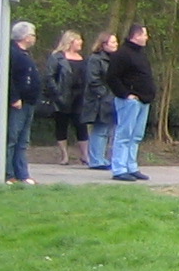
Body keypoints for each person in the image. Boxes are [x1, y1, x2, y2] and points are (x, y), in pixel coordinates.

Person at [106, 23, 156, 181]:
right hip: (130, 101)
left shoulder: (140, 54)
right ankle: (119, 168)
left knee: (136, 135)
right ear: (136, 36)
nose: (147, 38)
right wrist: (125, 94)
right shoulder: (122, 54)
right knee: (124, 134)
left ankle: (131, 166)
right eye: (145, 34)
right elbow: (111, 77)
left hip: (143, 100)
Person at [44, 30, 86, 164]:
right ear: (70, 42)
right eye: (78, 40)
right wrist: (57, 94)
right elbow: (49, 77)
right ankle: (65, 156)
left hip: (79, 96)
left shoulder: (82, 58)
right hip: (62, 96)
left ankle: (85, 155)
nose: (81, 43)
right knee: (62, 125)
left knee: (81, 125)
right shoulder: (57, 57)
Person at [6, 21, 40, 185]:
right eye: (32, 35)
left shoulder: (26, 54)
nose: (34, 38)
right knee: (12, 138)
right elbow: (8, 77)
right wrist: (14, 97)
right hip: (18, 103)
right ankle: (8, 173)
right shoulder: (12, 53)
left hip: (29, 102)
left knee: (23, 140)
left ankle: (22, 173)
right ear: (25, 37)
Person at [82, 31, 116, 170]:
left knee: (108, 130)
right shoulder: (95, 59)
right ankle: (96, 160)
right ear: (103, 44)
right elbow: (93, 80)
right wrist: (105, 94)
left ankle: (101, 158)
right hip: (98, 100)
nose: (116, 45)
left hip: (111, 98)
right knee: (100, 129)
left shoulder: (114, 59)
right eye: (113, 42)